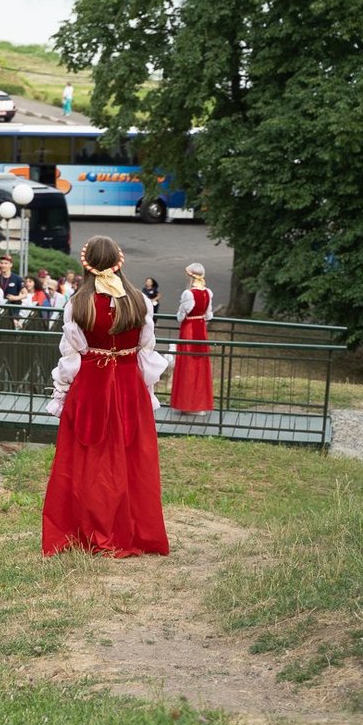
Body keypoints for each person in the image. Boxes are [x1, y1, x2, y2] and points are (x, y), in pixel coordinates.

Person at [42, 236, 170, 557]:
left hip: (91, 385)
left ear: (85, 264)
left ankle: (88, 530)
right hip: (128, 385)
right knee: (130, 461)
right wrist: (147, 393)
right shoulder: (140, 301)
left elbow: (70, 358)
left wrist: (60, 394)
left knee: (88, 462)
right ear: (119, 261)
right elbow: (146, 351)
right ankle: (129, 529)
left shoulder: (78, 303)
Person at [170, 262, 215, 413]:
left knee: (187, 364)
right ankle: (199, 404)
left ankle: (187, 403)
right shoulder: (208, 292)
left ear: (190, 276)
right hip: (201, 329)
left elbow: (180, 316)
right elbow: (209, 315)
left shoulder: (188, 294)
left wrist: (183, 314)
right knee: (200, 365)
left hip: (189, 330)